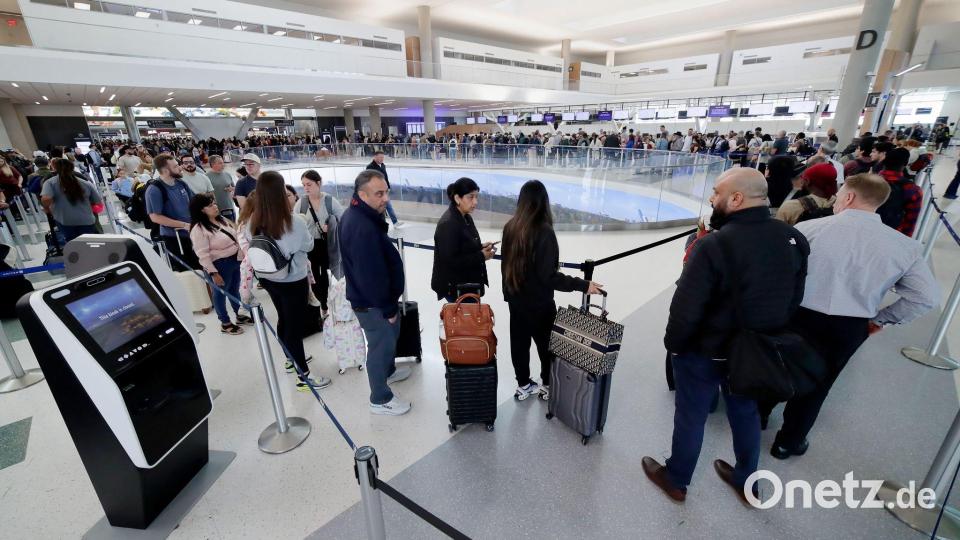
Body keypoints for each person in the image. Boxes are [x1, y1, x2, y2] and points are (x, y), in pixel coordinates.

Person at [642, 167, 809, 505]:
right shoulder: (793, 239)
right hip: (755, 351)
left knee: (691, 414)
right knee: (745, 411)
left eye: (717, 191)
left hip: (705, 351)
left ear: (736, 198)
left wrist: (674, 348)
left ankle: (676, 479)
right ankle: (748, 480)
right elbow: (794, 299)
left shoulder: (713, 245)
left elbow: (685, 309)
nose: (712, 197)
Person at [769, 174, 938, 459]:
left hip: (797, 314)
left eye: (840, 194)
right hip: (849, 326)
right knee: (820, 383)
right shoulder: (905, 246)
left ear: (849, 197)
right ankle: (788, 442)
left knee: (776, 365)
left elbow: (779, 271)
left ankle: (760, 415)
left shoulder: (809, 228)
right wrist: (881, 319)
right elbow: (926, 297)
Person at [501, 180, 602, 401]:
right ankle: (547, 383)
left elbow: (505, 266)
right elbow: (549, 276)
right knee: (546, 344)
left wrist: (508, 295)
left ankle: (523, 384)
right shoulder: (544, 232)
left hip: (516, 301)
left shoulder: (510, 227)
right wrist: (583, 285)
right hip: (540, 303)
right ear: (543, 202)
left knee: (519, 344)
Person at [243, 171, 329, 391]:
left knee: (283, 318)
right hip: (292, 279)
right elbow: (309, 246)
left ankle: (290, 360)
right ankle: (304, 376)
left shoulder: (253, 221)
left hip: (269, 278)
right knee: (294, 326)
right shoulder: (294, 221)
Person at [339, 169, 412, 416]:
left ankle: (388, 372)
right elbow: (370, 276)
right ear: (362, 194)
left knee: (389, 339)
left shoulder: (363, 217)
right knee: (380, 346)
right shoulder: (361, 226)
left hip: (376, 300)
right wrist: (389, 308)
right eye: (379, 194)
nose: (385, 199)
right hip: (373, 304)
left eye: (386, 192)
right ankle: (380, 398)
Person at [188, 193, 251, 335]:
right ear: (201, 210)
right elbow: (202, 254)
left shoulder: (221, 219)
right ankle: (225, 323)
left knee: (235, 290)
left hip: (235, 260)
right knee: (219, 294)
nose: (215, 206)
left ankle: (239, 315)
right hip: (219, 265)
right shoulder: (198, 229)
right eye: (210, 205)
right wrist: (213, 273)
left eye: (214, 203)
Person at [431, 177, 495, 302]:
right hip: (457, 289)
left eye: (476, 197)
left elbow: (462, 246)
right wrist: (481, 256)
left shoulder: (465, 217)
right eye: (470, 197)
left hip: (468, 285)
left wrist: (480, 247)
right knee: (463, 321)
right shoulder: (448, 224)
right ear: (457, 198)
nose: (475, 202)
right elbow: (450, 261)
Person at [297, 169, 345, 316]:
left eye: (309, 184)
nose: (306, 188)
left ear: (319, 183)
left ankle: (332, 302)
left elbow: (343, 221)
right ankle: (323, 304)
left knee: (328, 274)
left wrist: (332, 224)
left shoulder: (330, 201)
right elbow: (295, 224)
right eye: (304, 185)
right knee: (315, 277)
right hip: (310, 246)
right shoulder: (302, 203)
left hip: (329, 244)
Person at [146, 154, 200, 270]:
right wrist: (184, 225)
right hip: (175, 239)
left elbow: (194, 203)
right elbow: (155, 217)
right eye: (175, 166)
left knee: (200, 267)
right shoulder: (154, 190)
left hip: (193, 234)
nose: (180, 167)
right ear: (165, 171)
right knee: (187, 273)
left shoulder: (181, 183)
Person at [40, 159, 103, 245]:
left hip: (64, 220)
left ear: (54, 168)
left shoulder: (50, 183)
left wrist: (47, 208)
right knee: (89, 244)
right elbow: (97, 203)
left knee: (72, 245)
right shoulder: (85, 183)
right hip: (86, 220)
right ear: (72, 167)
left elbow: (46, 199)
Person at [876, 147, 922, 236]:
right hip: (891, 234)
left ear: (885, 160)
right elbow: (911, 221)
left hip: (863, 231)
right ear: (906, 163)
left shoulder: (866, 181)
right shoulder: (913, 189)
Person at [365, 150, 400, 225]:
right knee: (381, 207)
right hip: (376, 192)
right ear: (375, 157)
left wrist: (388, 187)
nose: (382, 159)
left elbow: (385, 177)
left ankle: (394, 222)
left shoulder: (383, 165)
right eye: (380, 157)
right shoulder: (370, 167)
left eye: (383, 157)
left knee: (387, 206)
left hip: (384, 190)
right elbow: (369, 180)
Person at [205, 155, 237, 221]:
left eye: (223, 162)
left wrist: (232, 189)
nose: (223, 164)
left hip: (230, 207)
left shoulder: (227, 174)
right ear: (213, 164)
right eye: (220, 163)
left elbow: (234, 188)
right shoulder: (206, 177)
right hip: (216, 211)